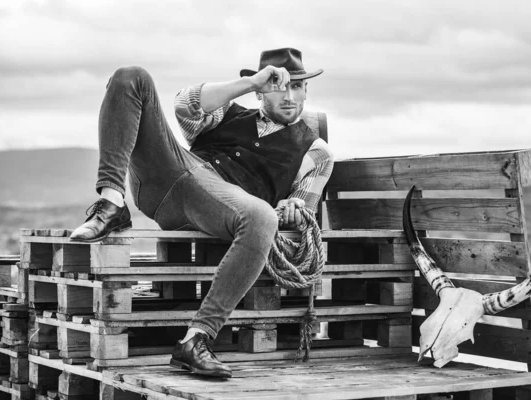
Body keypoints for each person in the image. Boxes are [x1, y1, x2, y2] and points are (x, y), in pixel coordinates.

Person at [69, 48, 334, 378]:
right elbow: (184, 104)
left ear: (307, 90)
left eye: (297, 86)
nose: (289, 95)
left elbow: (302, 208)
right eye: (279, 85)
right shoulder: (228, 112)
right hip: (168, 174)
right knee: (131, 76)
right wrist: (250, 83)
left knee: (263, 216)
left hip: (219, 206)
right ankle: (111, 202)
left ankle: (196, 340)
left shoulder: (316, 151)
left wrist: (292, 207)